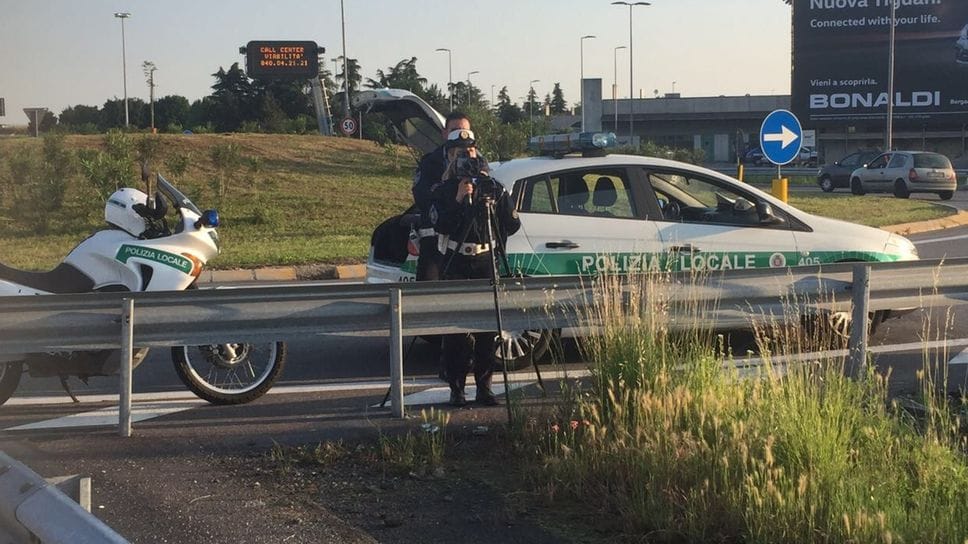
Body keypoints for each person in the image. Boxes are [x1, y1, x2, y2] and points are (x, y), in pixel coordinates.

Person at [430, 129, 520, 407]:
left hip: (485, 261)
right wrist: (459, 199)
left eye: (470, 151)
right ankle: (457, 390)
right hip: (456, 261)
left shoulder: (493, 187)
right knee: (455, 333)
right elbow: (439, 225)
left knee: (487, 330)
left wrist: (493, 197)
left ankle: (485, 388)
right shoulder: (443, 191)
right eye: (460, 153)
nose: (467, 157)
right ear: (450, 157)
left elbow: (512, 224)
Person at [412, 112, 472, 282]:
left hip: (464, 246)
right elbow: (422, 197)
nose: (459, 134)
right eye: (454, 130)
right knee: (431, 293)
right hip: (434, 243)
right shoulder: (430, 162)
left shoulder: (478, 161)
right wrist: (449, 192)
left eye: (464, 130)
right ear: (444, 133)